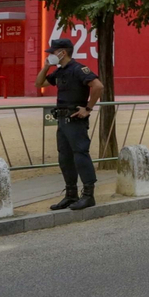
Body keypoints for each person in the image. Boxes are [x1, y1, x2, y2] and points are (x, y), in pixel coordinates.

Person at [35, 38, 104, 211]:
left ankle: (88, 195)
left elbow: (98, 86)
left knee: (80, 155)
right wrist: (45, 67)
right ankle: (71, 195)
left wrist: (88, 108)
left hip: (75, 120)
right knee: (65, 158)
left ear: (62, 53)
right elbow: (39, 83)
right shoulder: (60, 71)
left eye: (53, 52)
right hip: (62, 120)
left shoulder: (78, 69)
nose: (51, 55)